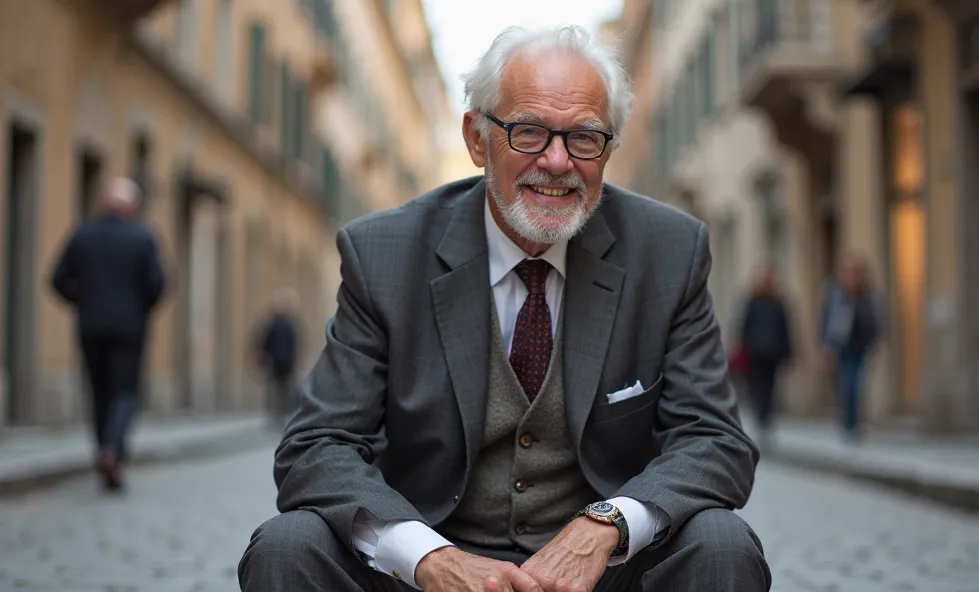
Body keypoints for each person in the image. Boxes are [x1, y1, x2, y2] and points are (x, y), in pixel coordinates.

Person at [239, 25, 769, 592]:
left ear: (609, 150)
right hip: (431, 572)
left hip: (602, 576)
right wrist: (427, 558)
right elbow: (316, 445)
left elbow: (715, 438)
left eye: (584, 138)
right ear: (476, 139)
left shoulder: (668, 251)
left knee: (721, 543)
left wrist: (609, 524)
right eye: (529, 132)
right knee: (288, 546)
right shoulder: (384, 256)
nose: (558, 161)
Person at [50, 177, 165, 492]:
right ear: (132, 207)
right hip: (129, 328)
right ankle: (113, 450)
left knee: (100, 393)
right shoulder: (143, 238)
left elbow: (57, 279)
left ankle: (102, 451)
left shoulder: (83, 235)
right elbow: (157, 285)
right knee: (126, 393)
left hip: (91, 326)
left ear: (104, 204)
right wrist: (139, 308)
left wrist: (83, 301)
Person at [819, 253, 880, 442]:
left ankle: (853, 423)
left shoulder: (865, 295)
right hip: (841, 347)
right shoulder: (834, 293)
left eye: (852, 271)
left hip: (859, 346)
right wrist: (824, 346)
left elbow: (874, 320)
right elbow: (825, 320)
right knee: (846, 385)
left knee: (857, 385)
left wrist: (874, 342)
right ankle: (847, 423)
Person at [739, 266, 792, 446]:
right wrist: (743, 347)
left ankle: (766, 420)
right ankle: (761, 419)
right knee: (758, 387)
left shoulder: (778, 303)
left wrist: (788, 353)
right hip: (756, 353)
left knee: (770, 387)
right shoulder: (753, 301)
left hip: (773, 354)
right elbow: (744, 326)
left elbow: (785, 329)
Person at [257, 287, 302, 424]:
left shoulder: (290, 324)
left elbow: (296, 344)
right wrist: (263, 358)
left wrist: (298, 361)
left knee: (285, 388)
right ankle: (275, 414)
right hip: (276, 361)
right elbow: (265, 342)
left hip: (287, 362)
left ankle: (283, 413)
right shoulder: (274, 323)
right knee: (276, 388)